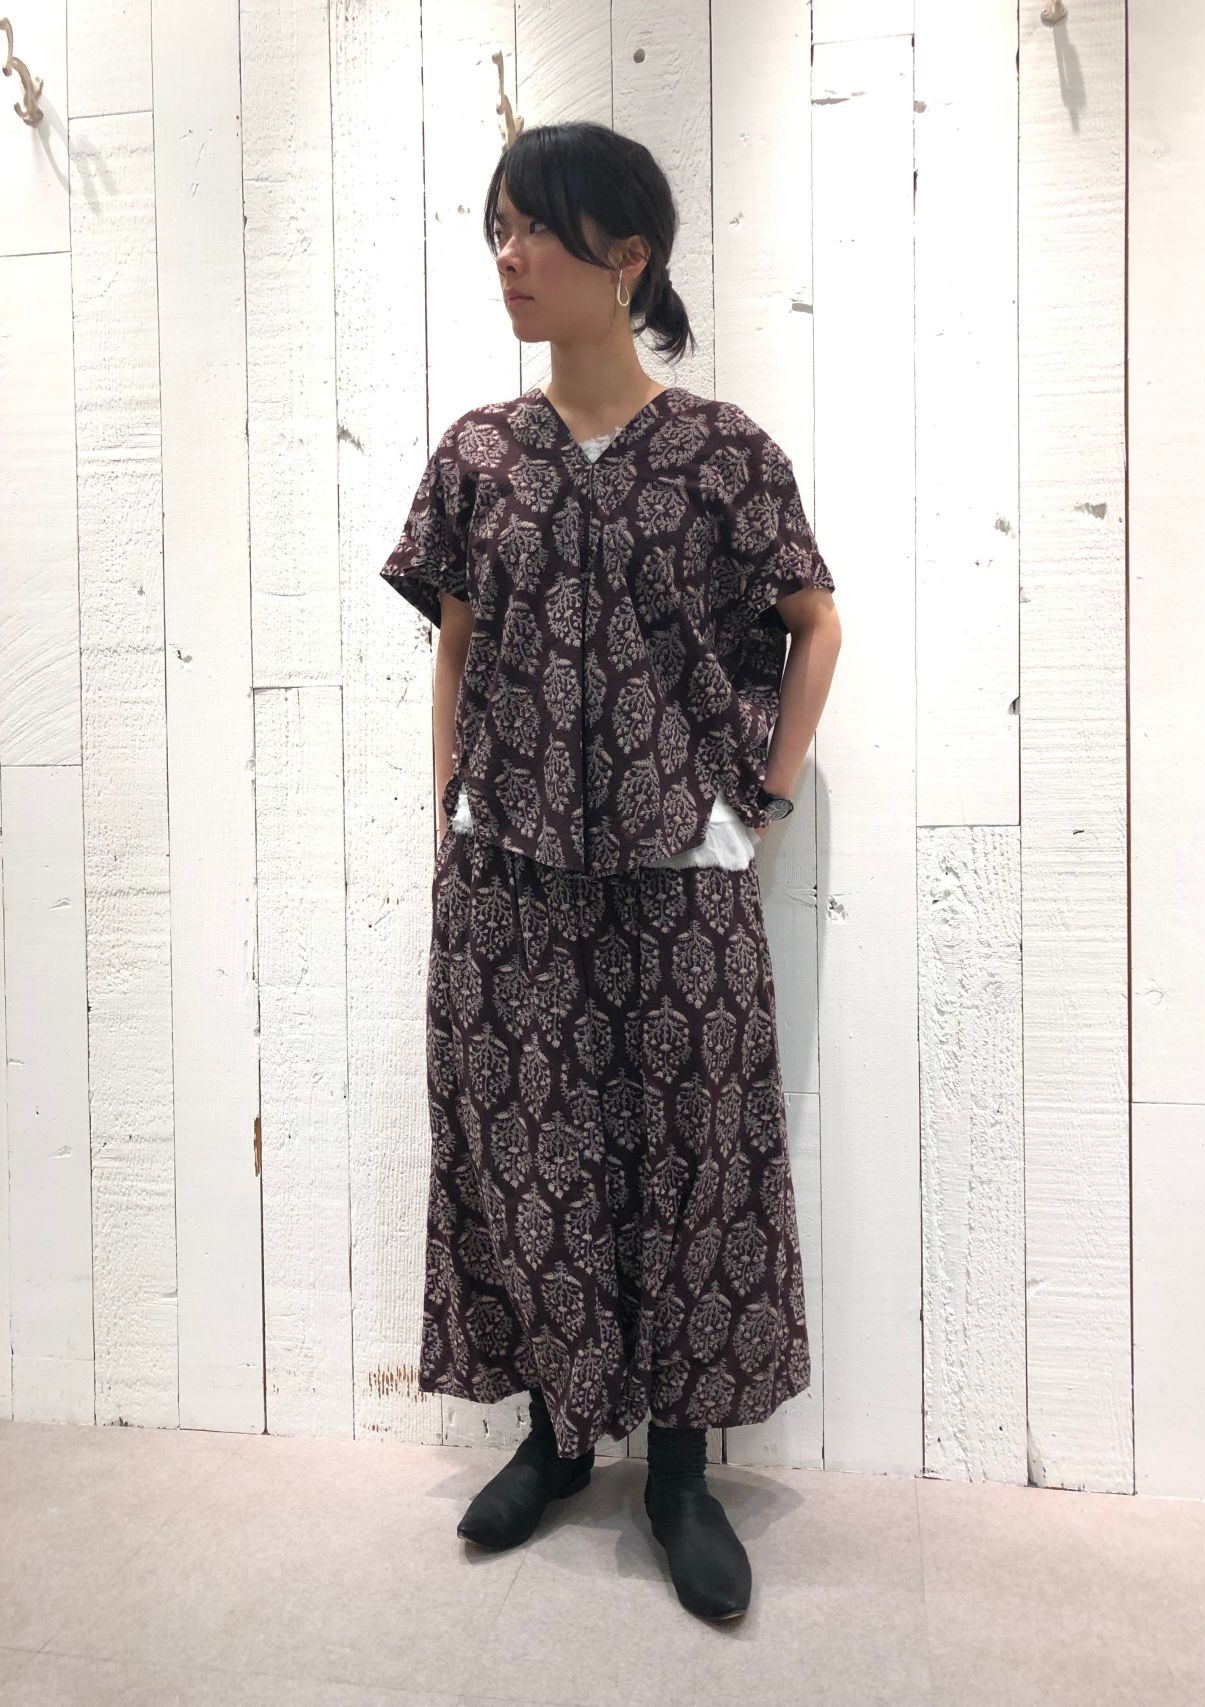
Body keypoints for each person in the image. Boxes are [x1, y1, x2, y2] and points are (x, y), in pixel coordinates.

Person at [378, 120, 841, 1622]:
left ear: (627, 255)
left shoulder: (722, 454)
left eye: (535, 230)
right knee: (527, 1144)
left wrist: (755, 806)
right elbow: (457, 645)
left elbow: (813, 624)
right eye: (497, 229)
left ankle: (681, 1474)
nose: (507, 258)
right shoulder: (477, 457)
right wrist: (451, 812)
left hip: (677, 869)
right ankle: (557, 1438)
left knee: (692, 1153)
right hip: (507, 869)